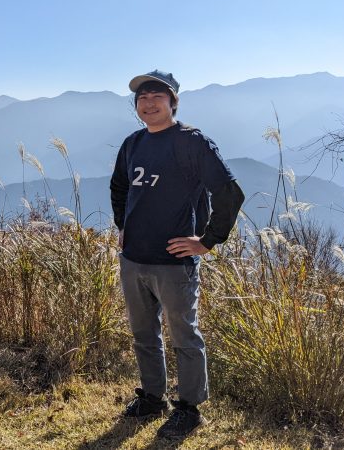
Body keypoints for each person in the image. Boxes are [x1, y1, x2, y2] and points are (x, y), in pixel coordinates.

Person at [110, 71, 244, 439]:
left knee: (184, 336)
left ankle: (189, 408)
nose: (149, 103)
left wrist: (207, 241)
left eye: (158, 95)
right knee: (143, 333)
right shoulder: (133, 143)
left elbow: (229, 192)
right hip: (133, 257)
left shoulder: (191, 142)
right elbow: (119, 186)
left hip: (174, 263)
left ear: (173, 102)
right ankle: (153, 398)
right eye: (142, 97)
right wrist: (123, 225)